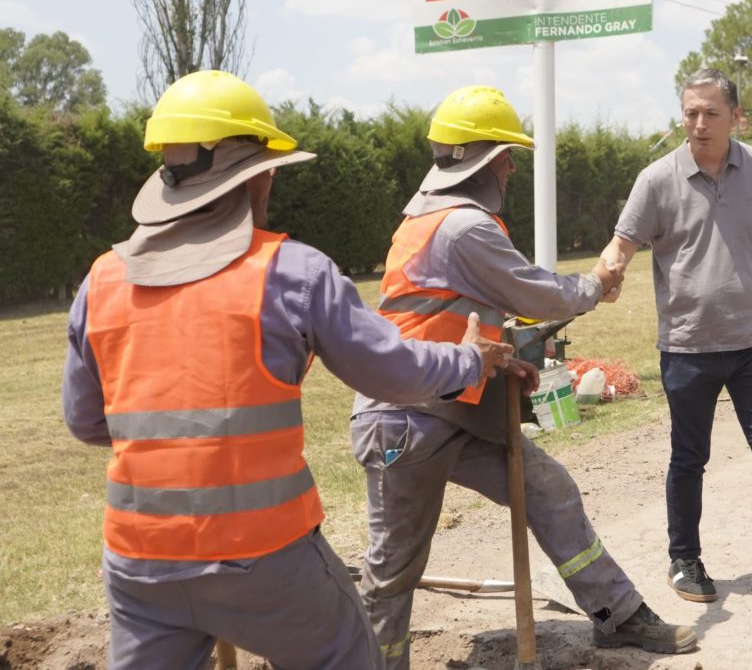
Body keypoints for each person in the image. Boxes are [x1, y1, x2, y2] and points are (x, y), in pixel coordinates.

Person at [62, 70, 518, 670]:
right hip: (266, 557)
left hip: (141, 565)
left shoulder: (102, 281)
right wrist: (468, 359)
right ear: (257, 177)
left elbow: (88, 422)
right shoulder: (292, 272)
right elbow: (393, 371)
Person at [350, 84, 698, 667]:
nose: (512, 166)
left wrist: (506, 362)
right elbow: (533, 292)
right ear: (482, 159)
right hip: (405, 421)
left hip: (451, 406)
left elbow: (455, 317)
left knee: (549, 489)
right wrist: (594, 287)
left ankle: (617, 614)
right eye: (507, 153)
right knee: (394, 566)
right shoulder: (461, 227)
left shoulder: (439, 220)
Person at [601, 68, 752, 614]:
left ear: (737, 117)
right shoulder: (657, 179)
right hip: (686, 349)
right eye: (690, 112)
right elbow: (619, 247)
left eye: (711, 112)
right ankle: (685, 558)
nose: (699, 123)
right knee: (689, 458)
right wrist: (607, 274)